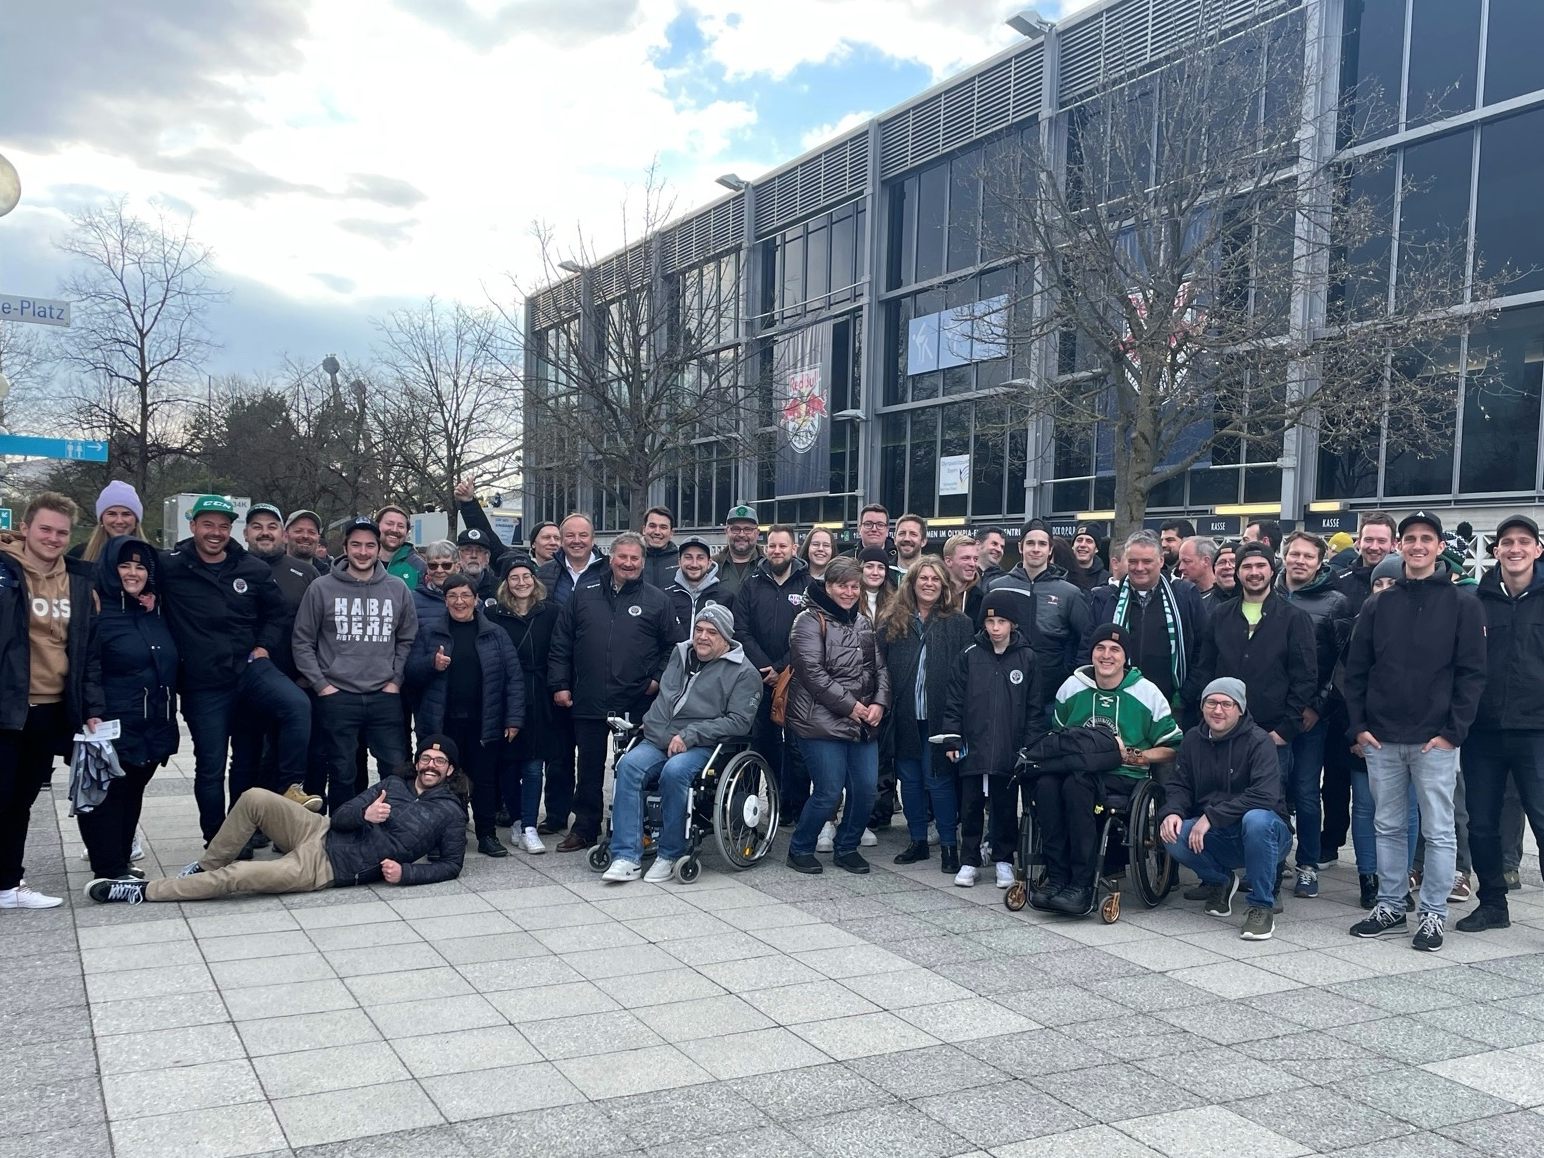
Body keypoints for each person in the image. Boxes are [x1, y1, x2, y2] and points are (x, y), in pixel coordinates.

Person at [88, 735, 470, 903]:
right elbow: (343, 816)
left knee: (237, 878)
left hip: (327, 867)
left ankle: (143, 892)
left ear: (450, 770)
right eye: (425, 758)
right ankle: (204, 867)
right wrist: (364, 813)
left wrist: (408, 874)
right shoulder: (393, 782)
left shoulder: (449, 812)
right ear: (417, 761)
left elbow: (451, 865)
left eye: (439, 762)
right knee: (255, 797)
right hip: (319, 831)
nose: (430, 765)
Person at [1345, 510, 1486, 952]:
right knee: (1388, 825)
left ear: (1440, 546)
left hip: (1434, 739)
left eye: (1427, 538)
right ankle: (1390, 905)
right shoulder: (1378, 603)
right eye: (1410, 538)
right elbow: (1356, 671)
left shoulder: (1464, 602)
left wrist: (1453, 732)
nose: (1418, 545)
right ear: (1398, 546)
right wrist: (1359, 726)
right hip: (1382, 737)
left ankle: (1433, 913)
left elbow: (1472, 673)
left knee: (1439, 829)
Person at [158, 495, 312, 845]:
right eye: (208, 525)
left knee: (295, 708)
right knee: (211, 766)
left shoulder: (251, 569)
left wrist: (263, 646)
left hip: (249, 671)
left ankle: (290, 787)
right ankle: (218, 840)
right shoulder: (169, 566)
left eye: (223, 526)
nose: (216, 533)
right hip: (204, 683)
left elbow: (276, 614)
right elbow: (126, 572)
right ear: (193, 526)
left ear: (232, 530)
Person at [602, 605, 763, 882]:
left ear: (726, 638)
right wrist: (651, 726)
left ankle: (670, 853)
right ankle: (626, 856)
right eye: (699, 630)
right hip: (659, 737)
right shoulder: (680, 654)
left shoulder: (744, 673)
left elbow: (739, 722)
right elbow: (666, 698)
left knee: (674, 772)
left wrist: (691, 734)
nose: (702, 637)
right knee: (627, 766)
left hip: (704, 744)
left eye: (712, 632)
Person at [1192, 541, 1317, 891]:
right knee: (1221, 796)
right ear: (1238, 572)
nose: (1254, 572)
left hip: (1272, 732)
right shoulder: (1220, 616)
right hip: (1223, 732)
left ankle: (1270, 880)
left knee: (1270, 806)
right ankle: (1218, 875)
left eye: (1261, 566)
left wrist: (1285, 730)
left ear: (1272, 571)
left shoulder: (1294, 618)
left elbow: (1305, 676)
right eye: (1247, 567)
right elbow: (1205, 669)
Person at [548, 532, 679, 850]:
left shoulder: (657, 599)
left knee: (634, 767)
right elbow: (562, 641)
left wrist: (657, 680)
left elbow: (673, 647)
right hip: (588, 696)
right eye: (623, 557)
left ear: (643, 562)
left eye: (635, 558)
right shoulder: (584, 593)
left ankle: (634, 827)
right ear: (611, 559)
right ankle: (584, 828)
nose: (629, 563)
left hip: (637, 699)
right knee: (588, 766)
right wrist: (560, 683)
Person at [1043, 623, 1182, 911]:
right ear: (1091, 654)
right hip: (1074, 769)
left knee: (1076, 786)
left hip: (1123, 775)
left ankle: (1081, 883)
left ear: (1125, 657)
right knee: (1045, 786)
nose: (1107, 655)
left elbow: (1172, 747)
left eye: (1115, 650)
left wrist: (1138, 756)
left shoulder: (1147, 693)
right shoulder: (1072, 687)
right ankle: (1057, 876)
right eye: (1100, 648)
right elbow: (1056, 736)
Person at [0, 493, 96, 909]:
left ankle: (8, 884)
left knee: (21, 800)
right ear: (25, 528)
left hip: (51, 708)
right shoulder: (5, 573)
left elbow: (85, 651)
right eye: (45, 529)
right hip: (7, 706)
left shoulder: (77, 582)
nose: (54, 538)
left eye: (62, 532)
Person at [293, 516, 418, 814]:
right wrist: (322, 686)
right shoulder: (321, 588)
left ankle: (396, 829)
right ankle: (344, 834)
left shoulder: (397, 589)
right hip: (338, 696)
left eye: (370, 545)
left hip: (383, 695)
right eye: (356, 545)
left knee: (395, 768)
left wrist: (395, 680)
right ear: (346, 548)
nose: (363, 552)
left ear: (378, 549)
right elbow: (302, 641)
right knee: (342, 771)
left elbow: (407, 638)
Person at [1459, 514, 1544, 933]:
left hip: (1537, 731)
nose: (1514, 549)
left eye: (1523, 542)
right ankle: (1492, 903)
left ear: (1537, 549)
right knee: (1482, 822)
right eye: (1506, 542)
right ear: (1495, 551)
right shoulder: (1476, 601)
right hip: (1483, 732)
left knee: (1543, 822)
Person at [1159, 678, 1294, 940]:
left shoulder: (1259, 741)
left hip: (1268, 834)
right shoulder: (1192, 740)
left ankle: (1260, 907)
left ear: (1240, 709)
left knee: (1256, 820)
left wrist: (1212, 815)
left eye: (1226, 704)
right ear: (1202, 706)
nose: (1217, 710)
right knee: (1173, 833)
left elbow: (1265, 795)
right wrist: (1173, 811)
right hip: (1220, 835)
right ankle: (1221, 881)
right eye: (1211, 702)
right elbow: (1180, 785)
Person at [77, 537, 179, 882]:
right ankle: (107, 868)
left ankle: (121, 860)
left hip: (152, 719)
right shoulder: (97, 609)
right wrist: (92, 707)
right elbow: (86, 664)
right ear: (110, 568)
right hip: (111, 719)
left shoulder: (152, 610)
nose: (133, 573)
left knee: (134, 788)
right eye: (125, 565)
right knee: (108, 793)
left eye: (140, 566)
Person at [784, 557, 890, 874]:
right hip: (818, 723)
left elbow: (881, 669)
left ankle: (847, 846)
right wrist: (853, 706)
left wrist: (879, 705)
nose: (848, 592)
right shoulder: (807, 621)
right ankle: (800, 847)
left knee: (866, 790)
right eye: (842, 585)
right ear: (828, 586)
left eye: (854, 586)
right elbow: (813, 675)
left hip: (862, 724)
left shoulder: (863, 623)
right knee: (829, 791)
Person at [407, 574, 522, 855]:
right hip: (442, 722)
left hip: (484, 721)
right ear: (445, 600)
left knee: (484, 779)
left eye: (465, 596)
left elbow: (514, 678)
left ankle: (486, 835)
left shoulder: (495, 633)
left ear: (476, 599)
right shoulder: (430, 632)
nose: (459, 602)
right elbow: (409, 673)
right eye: (453, 596)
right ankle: (446, 835)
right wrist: (431, 664)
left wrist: (514, 718)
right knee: (444, 780)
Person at [941, 587, 1037, 888]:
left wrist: (1029, 746)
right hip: (974, 747)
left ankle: (1004, 860)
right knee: (969, 806)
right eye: (990, 622)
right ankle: (969, 859)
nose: (995, 629)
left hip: (1009, 749)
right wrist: (953, 739)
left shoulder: (1028, 658)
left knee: (1006, 806)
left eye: (1002, 623)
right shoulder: (969, 656)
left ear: (1013, 624)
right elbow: (954, 701)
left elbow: (1034, 708)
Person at [882, 556, 973, 871]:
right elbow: (881, 666)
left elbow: (965, 675)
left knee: (938, 780)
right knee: (908, 779)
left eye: (936, 579)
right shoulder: (893, 619)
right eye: (924, 578)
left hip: (940, 716)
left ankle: (949, 845)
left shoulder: (959, 623)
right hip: (905, 714)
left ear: (944, 585)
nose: (929, 584)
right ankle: (918, 840)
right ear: (912, 582)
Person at [1274, 530, 1351, 896]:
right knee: (1271, 790)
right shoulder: (1266, 594)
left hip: (1310, 717)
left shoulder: (1336, 602)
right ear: (1285, 556)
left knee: (1305, 791)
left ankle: (1307, 864)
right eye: (1295, 554)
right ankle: (1273, 860)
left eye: (1308, 556)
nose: (1300, 561)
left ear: (1321, 562)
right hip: (1271, 714)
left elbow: (1341, 664)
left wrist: (1318, 707)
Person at [240, 503, 324, 812]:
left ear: (280, 533)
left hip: (296, 677)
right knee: (249, 756)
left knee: (290, 751)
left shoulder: (305, 572)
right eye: (257, 526)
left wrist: (312, 674)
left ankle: (285, 821)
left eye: (271, 526)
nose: (264, 532)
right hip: (245, 678)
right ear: (247, 532)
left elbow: (320, 627)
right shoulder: (235, 566)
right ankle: (250, 822)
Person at [1085, 530, 1206, 722]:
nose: (1139, 567)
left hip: (1173, 706)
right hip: (1116, 703)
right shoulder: (1105, 598)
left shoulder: (1185, 595)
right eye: (1133, 561)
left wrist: (1185, 696)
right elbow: (1087, 647)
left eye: (1147, 561)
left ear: (1160, 560)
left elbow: (1203, 649)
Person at [734, 525, 812, 823]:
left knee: (796, 748)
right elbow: (740, 628)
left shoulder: (808, 584)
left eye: (783, 546)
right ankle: (748, 809)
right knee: (759, 742)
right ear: (765, 548)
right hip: (757, 677)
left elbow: (810, 634)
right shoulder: (751, 582)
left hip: (795, 678)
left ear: (794, 549)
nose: (777, 551)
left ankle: (793, 809)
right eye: (772, 546)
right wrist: (764, 665)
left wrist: (781, 667)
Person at [486, 556, 558, 855]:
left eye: (526, 576)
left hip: (540, 694)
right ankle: (515, 819)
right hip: (505, 695)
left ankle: (529, 824)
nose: (521, 582)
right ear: (505, 583)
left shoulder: (551, 612)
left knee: (533, 764)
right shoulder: (493, 616)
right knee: (507, 764)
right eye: (514, 577)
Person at [987, 518, 1091, 720]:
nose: (1036, 549)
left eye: (1042, 544)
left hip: (1051, 696)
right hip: (1004, 691)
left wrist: (1070, 674)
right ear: (1020, 547)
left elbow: (1086, 639)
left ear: (1050, 549)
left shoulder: (1069, 593)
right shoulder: (997, 587)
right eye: (1030, 543)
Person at [72, 481, 143, 563]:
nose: (119, 521)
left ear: (136, 520)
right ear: (101, 519)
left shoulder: (155, 558)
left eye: (126, 514)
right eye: (112, 514)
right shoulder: (79, 555)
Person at [665, 538, 723, 629]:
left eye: (700, 558)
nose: (694, 564)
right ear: (679, 562)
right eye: (688, 557)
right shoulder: (664, 597)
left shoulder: (725, 598)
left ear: (709, 563)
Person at [714, 504, 764, 604]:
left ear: (757, 533)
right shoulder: (712, 566)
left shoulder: (768, 566)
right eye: (735, 529)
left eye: (748, 529)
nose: (741, 534)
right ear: (726, 531)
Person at [375, 505, 424, 590]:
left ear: (407, 532)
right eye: (389, 524)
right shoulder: (362, 561)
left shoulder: (419, 567)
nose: (394, 530)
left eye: (400, 526)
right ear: (377, 526)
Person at [414, 540, 457, 628]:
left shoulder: (470, 599)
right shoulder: (411, 600)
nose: (439, 570)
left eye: (446, 565)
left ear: (457, 567)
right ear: (427, 568)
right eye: (433, 565)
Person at [943, 533, 984, 620]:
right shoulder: (934, 594)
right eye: (966, 558)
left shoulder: (981, 599)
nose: (973, 564)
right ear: (948, 561)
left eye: (975, 559)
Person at [1177, 536, 1220, 614]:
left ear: (1206, 561)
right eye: (1180, 562)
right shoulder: (1180, 596)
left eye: (1187, 561)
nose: (1180, 567)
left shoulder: (1223, 599)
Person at [640, 506, 680, 588]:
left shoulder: (682, 562)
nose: (657, 532)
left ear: (671, 533)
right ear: (644, 530)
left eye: (663, 527)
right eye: (652, 526)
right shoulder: (632, 560)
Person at [455, 526, 498, 600]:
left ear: (487, 558)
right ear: (458, 556)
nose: (474, 555)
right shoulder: (450, 585)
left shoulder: (499, 588)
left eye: (479, 550)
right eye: (467, 550)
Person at [284, 509, 329, 577]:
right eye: (298, 531)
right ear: (285, 536)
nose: (305, 536)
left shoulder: (330, 577)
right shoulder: (268, 573)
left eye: (311, 532)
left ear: (318, 538)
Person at [1068, 525, 1110, 592]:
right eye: (1079, 540)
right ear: (1072, 546)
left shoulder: (1106, 580)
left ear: (1096, 549)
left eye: (1089, 541)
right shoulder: (1063, 575)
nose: (1083, 545)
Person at [858, 547, 896, 621]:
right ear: (860, 569)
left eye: (881, 568)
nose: (875, 573)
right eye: (869, 567)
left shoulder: (895, 602)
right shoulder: (850, 598)